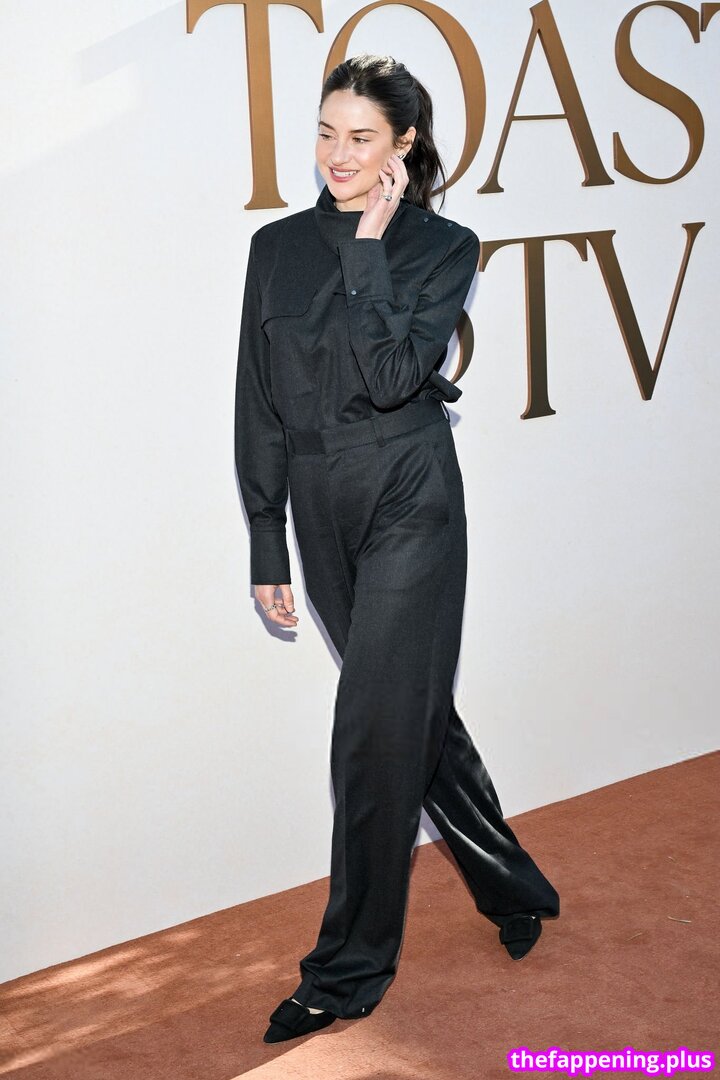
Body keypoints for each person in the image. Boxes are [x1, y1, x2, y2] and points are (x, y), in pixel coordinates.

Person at [234, 54, 560, 1045]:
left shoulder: (444, 246)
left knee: (372, 732)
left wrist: (372, 245)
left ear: (403, 146)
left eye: (362, 137)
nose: (338, 154)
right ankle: (513, 881)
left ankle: (345, 972)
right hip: (320, 505)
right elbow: (257, 399)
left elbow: (387, 377)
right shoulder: (275, 248)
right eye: (326, 132)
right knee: (411, 714)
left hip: (410, 494)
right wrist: (266, 535)